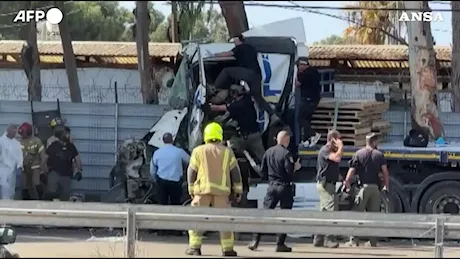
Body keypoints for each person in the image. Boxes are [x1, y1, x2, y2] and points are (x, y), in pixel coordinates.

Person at [185, 122, 243, 257]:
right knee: (224, 221)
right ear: (220, 135)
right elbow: (235, 172)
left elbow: (191, 171)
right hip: (221, 193)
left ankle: (195, 248)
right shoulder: (227, 152)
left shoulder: (198, 151)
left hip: (202, 191)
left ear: (206, 135)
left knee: (197, 219)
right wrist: (238, 191)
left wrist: (191, 188)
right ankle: (227, 249)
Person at [247, 130, 301, 253]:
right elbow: (289, 171)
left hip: (271, 187)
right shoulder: (286, 153)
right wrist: (296, 167)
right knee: (284, 216)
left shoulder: (268, 152)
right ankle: (280, 244)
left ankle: (255, 241)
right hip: (284, 187)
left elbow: (262, 172)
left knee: (265, 214)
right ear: (286, 139)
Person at [212, 35, 281, 126]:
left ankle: (213, 88)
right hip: (257, 75)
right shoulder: (251, 48)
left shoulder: (240, 47)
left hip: (248, 72)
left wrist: (214, 55)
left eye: (235, 40)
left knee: (226, 71)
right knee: (258, 97)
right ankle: (272, 115)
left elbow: (227, 54)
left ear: (240, 40)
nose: (234, 42)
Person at [344, 133, 390, 247]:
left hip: (362, 188)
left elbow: (352, 170)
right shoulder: (379, 155)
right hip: (375, 188)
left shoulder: (359, 154)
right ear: (374, 142)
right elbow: (385, 172)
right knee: (374, 216)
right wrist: (386, 185)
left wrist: (347, 182)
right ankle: (373, 241)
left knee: (357, 215)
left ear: (366, 142)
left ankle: (354, 241)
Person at [209, 84, 265, 163]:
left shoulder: (238, 105)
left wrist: (208, 107)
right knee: (263, 158)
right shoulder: (247, 100)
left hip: (247, 138)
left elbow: (219, 108)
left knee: (228, 149)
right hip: (254, 135)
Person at [150, 132, 190, 236]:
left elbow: (152, 170)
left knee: (162, 206)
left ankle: (162, 230)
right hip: (176, 182)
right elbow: (190, 161)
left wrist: (156, 180)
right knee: (176, 205)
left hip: (162, 182)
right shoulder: (179, 152)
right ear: (172, 140)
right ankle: (176, 230)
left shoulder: (157, 153)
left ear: (163, 141)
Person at [313, 130, 343, 248]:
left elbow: (332, 167)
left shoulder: (330, 151)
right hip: (326, 185)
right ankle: (328, 239)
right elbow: (337, 158)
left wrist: (342, 179)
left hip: (329, 183)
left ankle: (318, 239)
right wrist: (340, 147)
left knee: (324, 212)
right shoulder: (325, 150)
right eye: (339, 139)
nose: (341, 142)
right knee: (332, 210)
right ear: (333, 140)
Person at [42, 125, 82, 201]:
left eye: (68, 134)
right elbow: (45, 158)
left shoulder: (71, 146)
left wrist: (79, 170)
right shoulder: (53, 146)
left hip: (67, 175)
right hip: (54, 173)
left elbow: (77, 159)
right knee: (52, 192)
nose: (68, 135)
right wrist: (42, 170)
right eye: (66, 134)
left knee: (65, 196)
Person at [296, 57, 322, 147]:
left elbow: (297, 84)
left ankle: (313, 134)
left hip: (307, 99)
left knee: (300, 118)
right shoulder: (315, 72)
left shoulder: (304, 74)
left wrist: (296, 74)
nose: (299, 67)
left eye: (300, 66)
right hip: (315, 99)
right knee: (307, 119)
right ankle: (306, 140)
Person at [18, 122, 46, 200]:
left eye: (23, 133)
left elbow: (43, 155)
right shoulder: (19, 142)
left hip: (35, 166)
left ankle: (40, 199)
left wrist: (42, 168)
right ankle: (26, 202)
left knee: (36, 184)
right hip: (23, 168)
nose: (22, 136)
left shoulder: (37, 141)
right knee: (24, 186)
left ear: (29, 132)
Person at [0, 125, 23, 200]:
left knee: (11, 191)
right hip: (3, 170)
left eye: (15, 132)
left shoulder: (17, 143)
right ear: (8, 131)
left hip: (13, 171)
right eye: (13, 131)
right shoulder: (1, 141)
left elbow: (20, 156)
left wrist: (20, 166)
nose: (14, 133)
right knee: (4, 189)